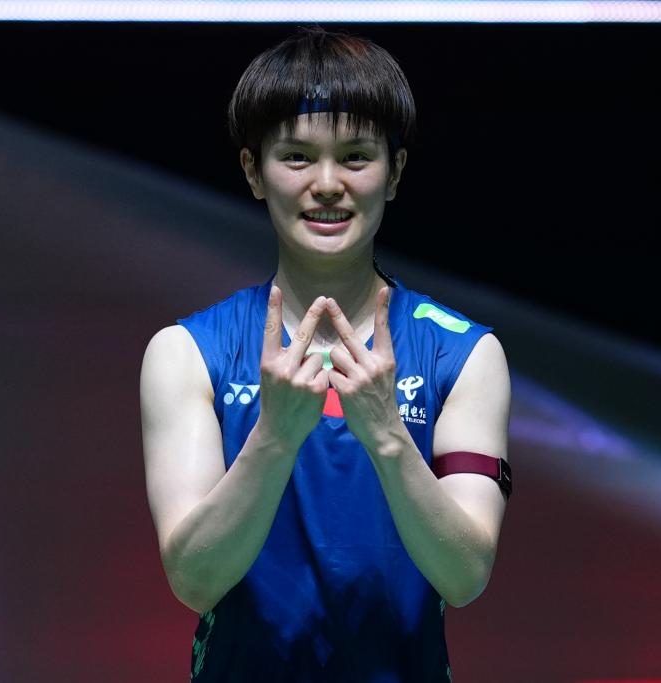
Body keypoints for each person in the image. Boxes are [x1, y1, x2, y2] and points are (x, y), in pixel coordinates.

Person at [140, 27, 512, 682]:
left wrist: (389, 436)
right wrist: (274, 438)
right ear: (253, 171)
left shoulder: (465, 354)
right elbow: (194, 579)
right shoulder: (187, 354)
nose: (328, 183)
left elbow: (465, 576)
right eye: (297, 157)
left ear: (395, 173)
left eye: (356, 156)